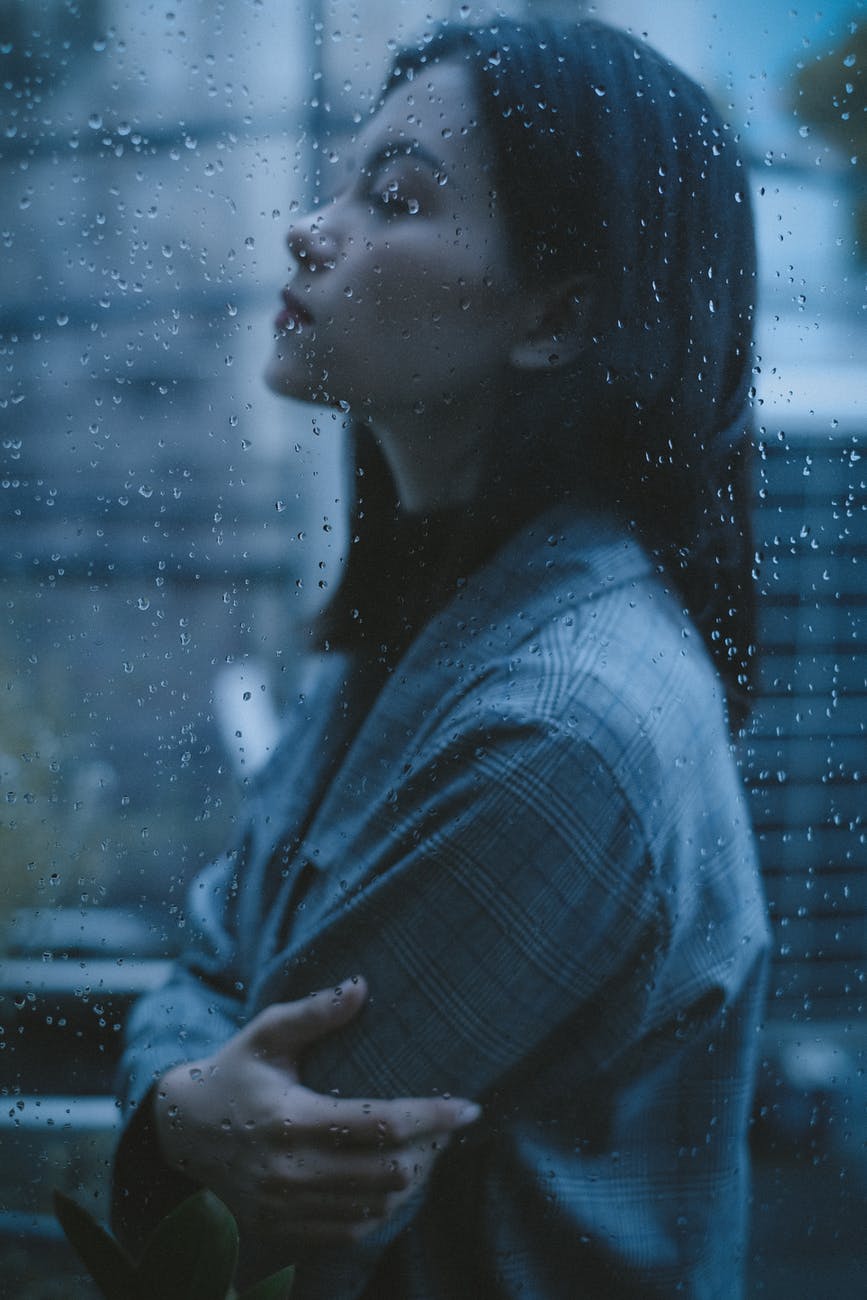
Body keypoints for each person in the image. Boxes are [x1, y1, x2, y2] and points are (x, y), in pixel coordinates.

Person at [112, 18, 770, 1299]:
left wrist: (182, 1107)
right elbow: (208, 977)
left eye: (396, 198)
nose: (313, 227)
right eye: (343, 179)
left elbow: (257, 1194)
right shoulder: (442, 610)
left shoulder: (559, 726)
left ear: (560, 317)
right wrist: (190, 1098)